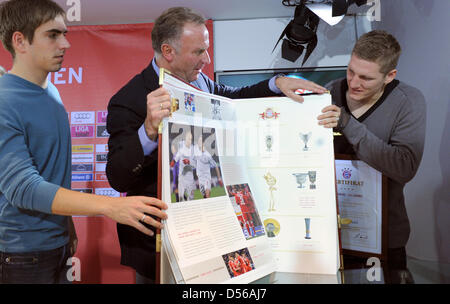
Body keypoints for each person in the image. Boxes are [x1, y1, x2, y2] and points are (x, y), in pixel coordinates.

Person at [106, 6, 327, 284]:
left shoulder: (199, 82)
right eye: (198, 52)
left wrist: (277, 83)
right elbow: (118, 177)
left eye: (206, 50)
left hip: (209, 241)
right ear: (168, 51)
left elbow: (233, 98)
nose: (206, 59)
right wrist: (149, 129)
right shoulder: (129, 98)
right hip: (158, 250)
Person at [0, 0, 167, 284]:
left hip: (58, 244)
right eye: (53, 35)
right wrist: (111, 206)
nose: (65, 44)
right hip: (22, 255)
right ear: (20, 41)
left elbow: (50, 171)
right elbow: (23, 188)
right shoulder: (5, 100)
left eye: (65, 34)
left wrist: (68, 225)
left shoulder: (50, 90)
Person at [317, 30, 426, 283]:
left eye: (366, 77)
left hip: (385, 241)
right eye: (351, 71)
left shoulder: (408, 101)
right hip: (333, 237)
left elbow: (404, 167)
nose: (354, 82)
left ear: (390, 76)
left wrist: (347, 123)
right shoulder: (330, 91)